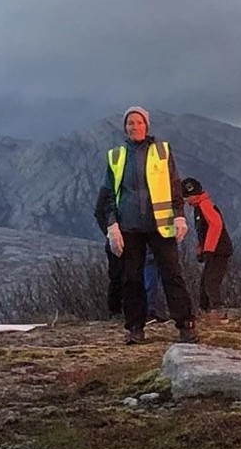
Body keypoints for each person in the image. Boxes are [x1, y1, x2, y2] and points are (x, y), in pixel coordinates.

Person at [96, 107, 195, 344]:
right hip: (130, 228)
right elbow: (107, 194)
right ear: (125, 127)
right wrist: (112, 226)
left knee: (172, 274)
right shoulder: (116, 157)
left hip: (160, 225)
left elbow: (174, 186)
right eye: (130, 123)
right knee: (132, 279)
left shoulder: (162, 151)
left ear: (146, 126)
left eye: (139, 122)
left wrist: (180, 215)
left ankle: (186, 324)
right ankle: (135, 328)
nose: (134, 127)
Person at [180, 177, 233, 319]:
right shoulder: (199, 208)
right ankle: (204, 310)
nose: (186, 201)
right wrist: (200, 249)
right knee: (204, 281)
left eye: (186, 197)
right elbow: (203, 232)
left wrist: (208, 249)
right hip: (213, 250)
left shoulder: (205, 205)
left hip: (219, 250)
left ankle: (218, 309)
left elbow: (216, 225)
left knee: (211, 281)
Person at [94, 185, 125, 316]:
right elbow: (99, 213)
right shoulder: (108, 188)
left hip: (133, 237)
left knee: (131, 276)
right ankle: (115, 310)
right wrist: (109, 233)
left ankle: (128, 310)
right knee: (117, 275)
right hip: (115, 239)